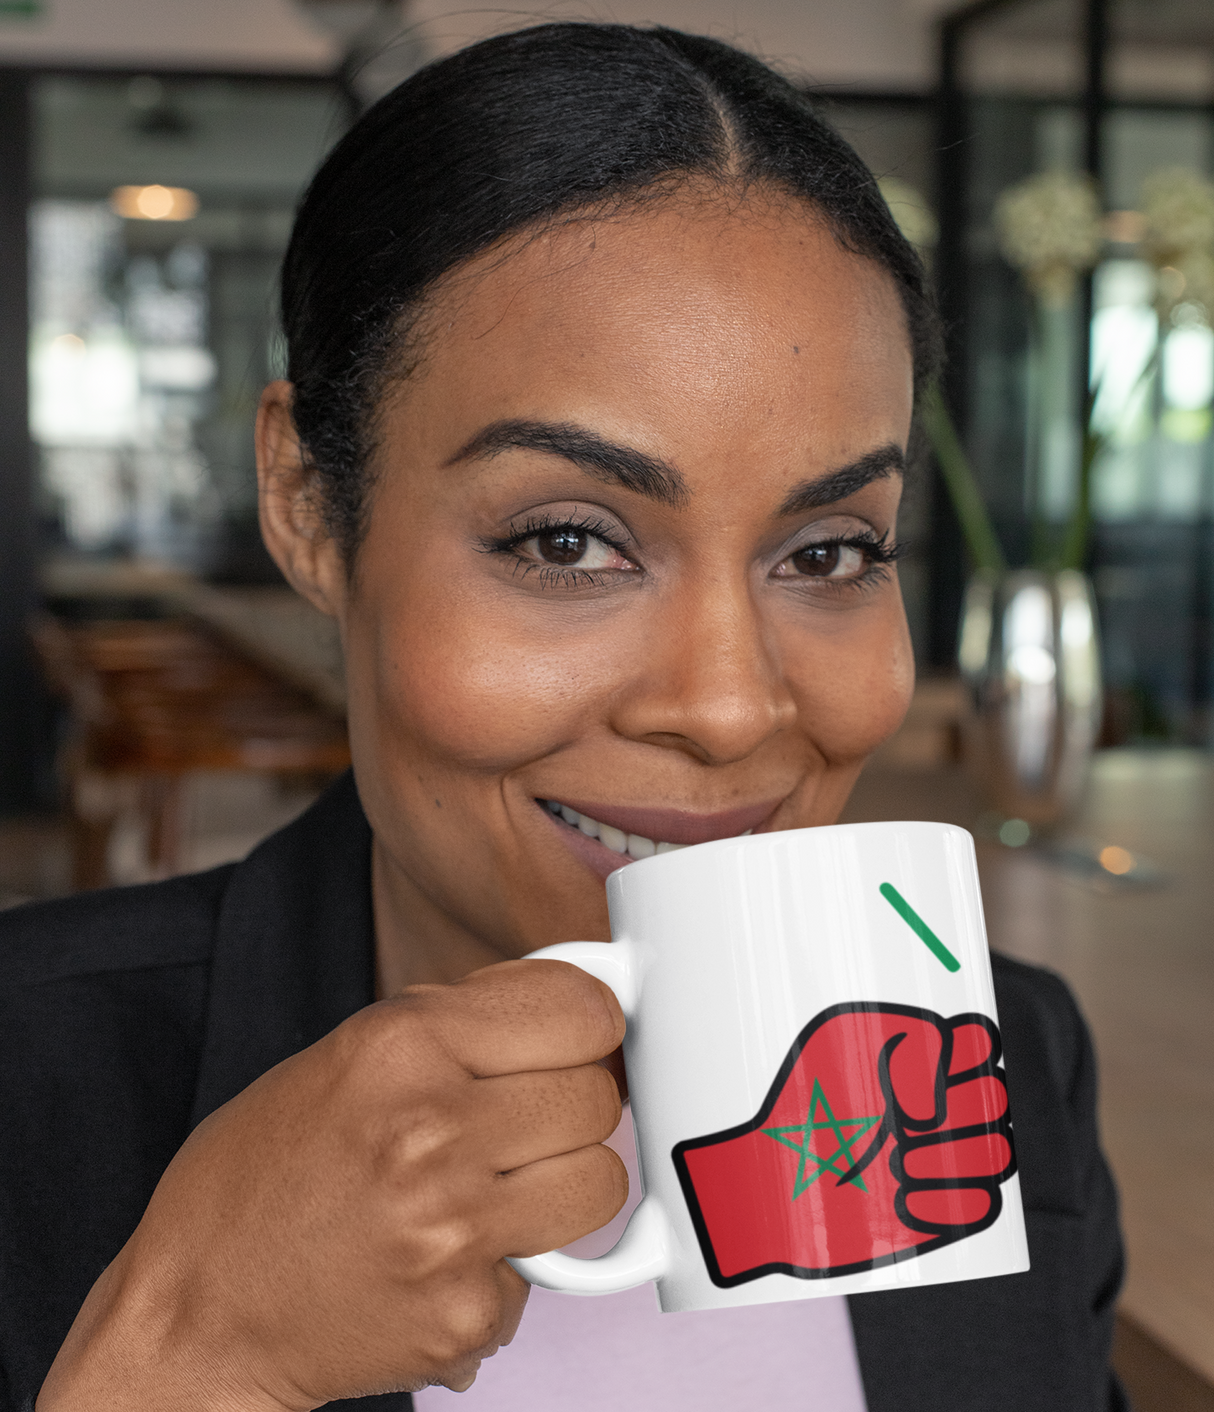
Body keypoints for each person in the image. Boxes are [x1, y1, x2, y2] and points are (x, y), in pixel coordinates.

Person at [0, 23, 1126, 1412]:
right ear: (307, 505)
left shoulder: (998, 1064)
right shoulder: (30, 1087)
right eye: (565, 542)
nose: (722, 708)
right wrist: (198, 1353)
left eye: (828, 551)